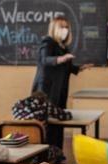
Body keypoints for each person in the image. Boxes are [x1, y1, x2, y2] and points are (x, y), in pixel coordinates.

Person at [31, 16, 93, 151]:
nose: (65, 30)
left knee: (59, 121)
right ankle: (46, 153)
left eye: (66, 27)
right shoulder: (47, 42)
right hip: (47, 90)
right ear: (54, 28)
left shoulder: (63, 47)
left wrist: (79, 68)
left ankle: (57, 152)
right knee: (49, 122)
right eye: (61, 27)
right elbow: (45, 60)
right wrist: (61, 58)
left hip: (60, 89)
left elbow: (67, 66)